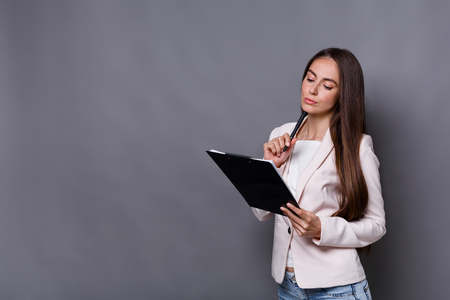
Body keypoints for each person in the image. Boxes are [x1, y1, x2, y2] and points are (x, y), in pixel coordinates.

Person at [252, 48, 386, 300]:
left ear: (343, 95)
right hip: (288, 285)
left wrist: (321, 228)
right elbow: (261, 213)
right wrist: (273, 167)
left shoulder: (357, 146)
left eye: (327, 85)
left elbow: (377, 226)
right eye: (310, 79)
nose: (312, 90)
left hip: (338, 289)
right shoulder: (280, 135)